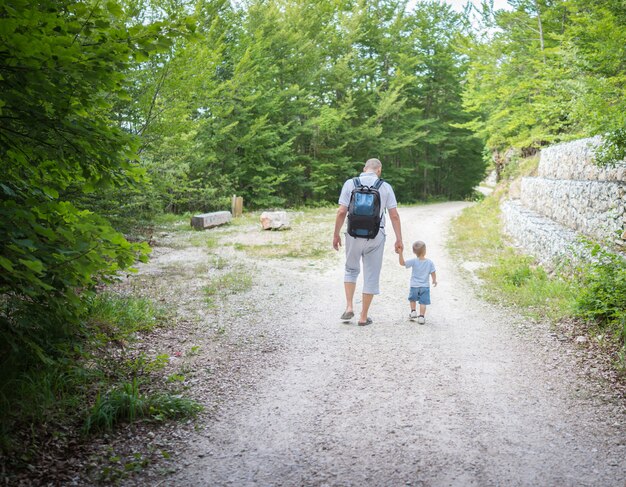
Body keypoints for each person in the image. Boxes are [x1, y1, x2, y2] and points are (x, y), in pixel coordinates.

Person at [333, 158, 403, 326]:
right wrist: (399, 239)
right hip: (375, 236)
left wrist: (336, 234)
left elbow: (341, 211)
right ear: (379, 170)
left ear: (364, 168)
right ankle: (363, 317)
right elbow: (394, 215)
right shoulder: (385, 187)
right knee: (371, 275)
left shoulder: (350, 183)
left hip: (353, 235)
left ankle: (349, 306)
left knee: (351, 269)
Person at [399, 240, 437, 324]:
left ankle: (413, 312)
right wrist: (434, 280)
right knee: (423, 302)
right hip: (425, 286)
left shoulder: (414, 261)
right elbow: (433, 272)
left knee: (413, 299)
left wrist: (400, 253)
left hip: (414, 285)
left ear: (414, 252)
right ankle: (421, 317)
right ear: (425, 251)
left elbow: (402, 263)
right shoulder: (430, 262)